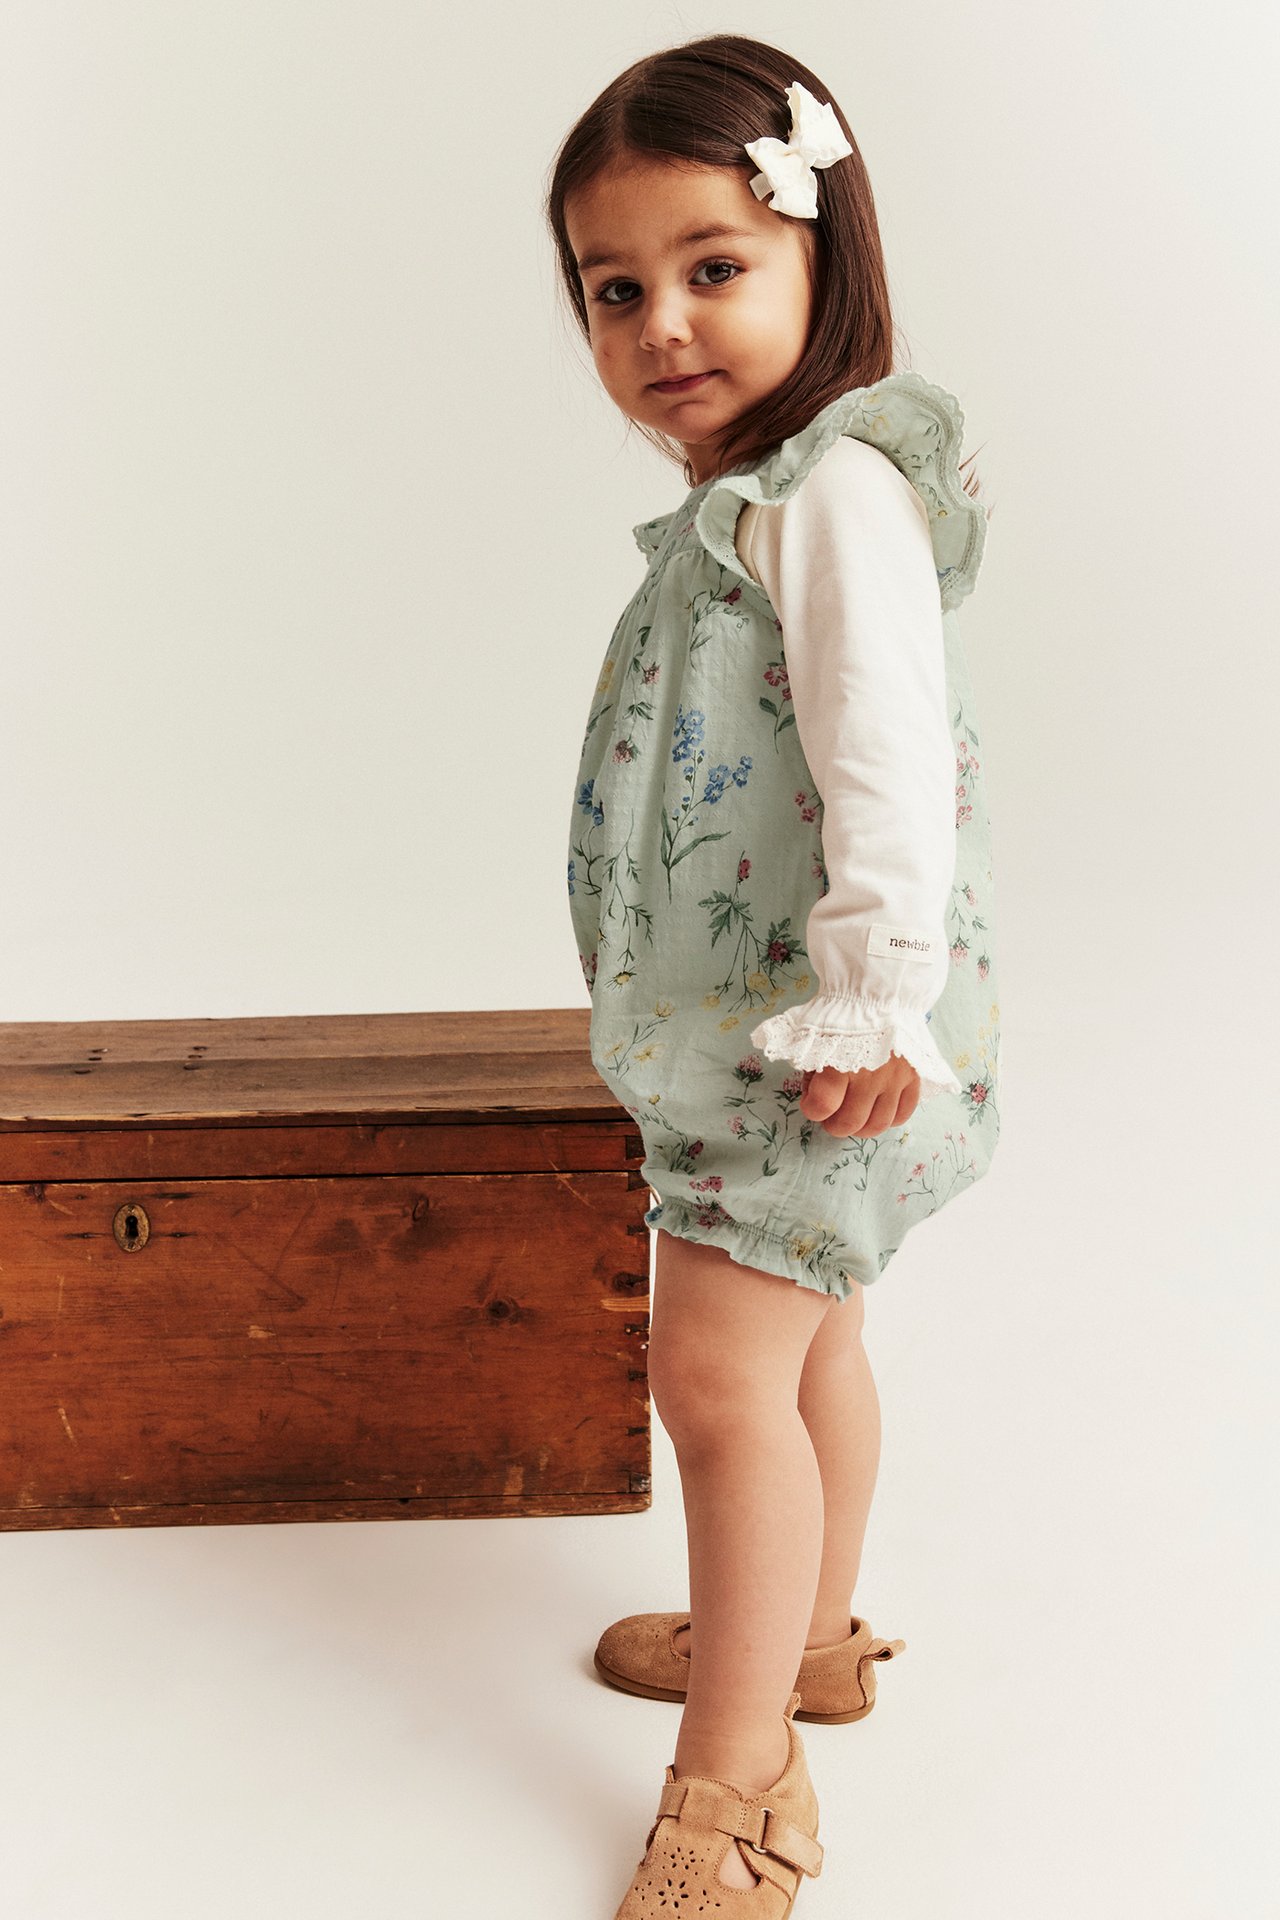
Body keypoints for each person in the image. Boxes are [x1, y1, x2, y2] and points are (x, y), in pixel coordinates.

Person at [548, 33, 1002, 1916]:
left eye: (715, 265)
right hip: (762, 1023)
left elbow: (886, 756)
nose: (665, 320)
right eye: (615, 288)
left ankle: (740, 1784)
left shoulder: (834, 498)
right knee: (814, 1338)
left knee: (719, 1387)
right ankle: (807, 1637)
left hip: (811, 1031)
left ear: (826, 258)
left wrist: (873, 995)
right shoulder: (748, 501)